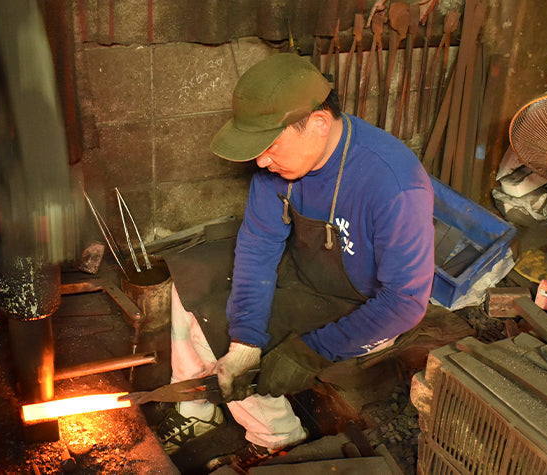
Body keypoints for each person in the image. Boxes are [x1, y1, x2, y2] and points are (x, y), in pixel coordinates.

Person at [159, 52, 435, 470]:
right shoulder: (278, 168)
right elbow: (258, 246)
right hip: (302, 270)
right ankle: (197, 409)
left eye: (269, 146)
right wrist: (246, 340)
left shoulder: (394, 185)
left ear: (319, 125)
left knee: (221, 330)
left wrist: (311, 351)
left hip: (364, 303)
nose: (261, 161)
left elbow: (405, 303)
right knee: (191, 281)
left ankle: (275, 436)